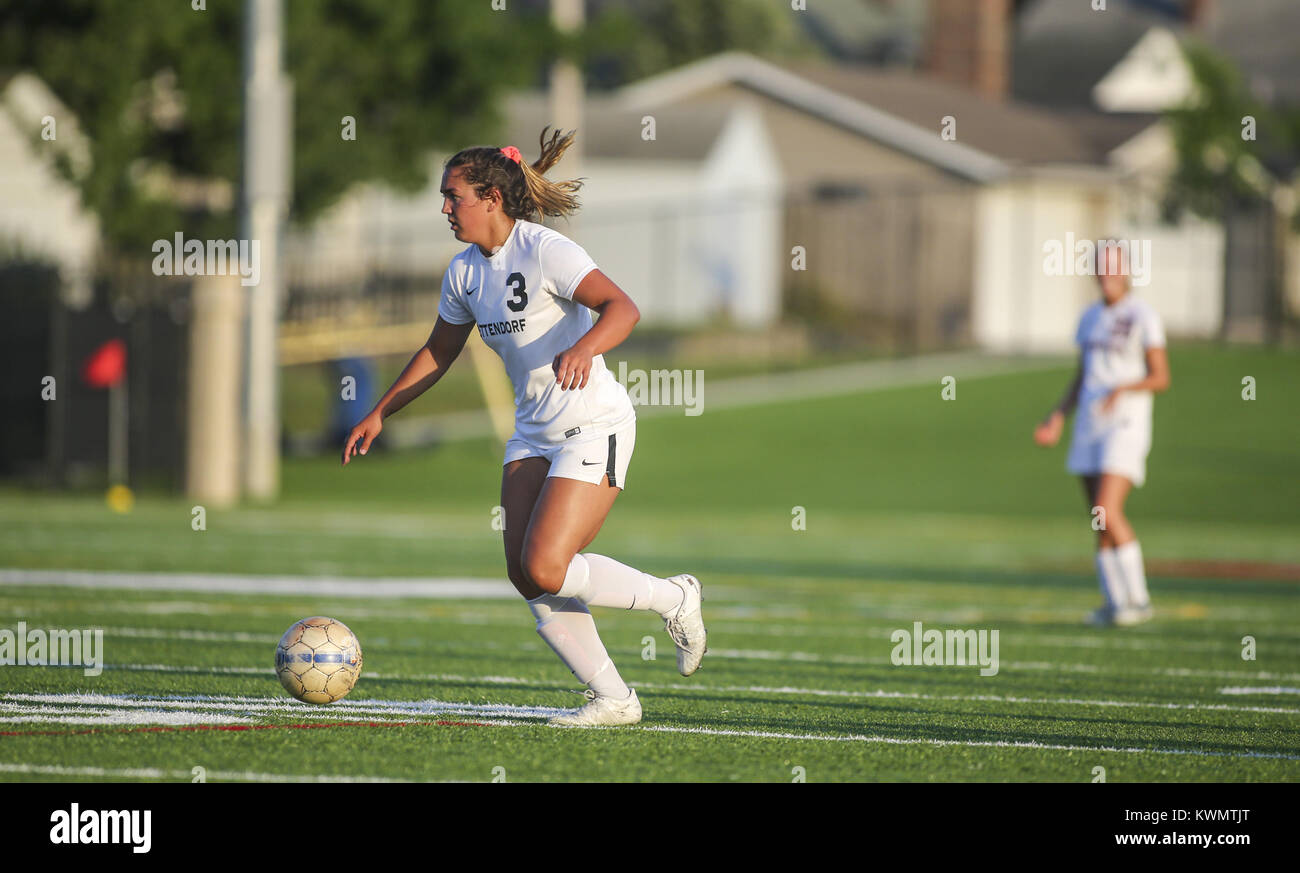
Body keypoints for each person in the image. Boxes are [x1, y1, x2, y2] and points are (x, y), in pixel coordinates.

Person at [342, 128, 706, 725]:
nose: (443, 208)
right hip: (533, 432)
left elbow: (624, 308)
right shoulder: (463, 272)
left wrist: (587, 348)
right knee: (527, 576)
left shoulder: (545, 250)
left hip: (594, 425)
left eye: (452, 196)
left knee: (546, 565)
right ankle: (614, 699)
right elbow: (438, 352)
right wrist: (381, 411)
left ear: (490, 197)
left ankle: (676, 597)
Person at [1033, 240, 1171, 627]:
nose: (1107, 274)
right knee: (1097, 517)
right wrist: (1057, 416)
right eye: (1101, 267)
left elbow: (1161, 376)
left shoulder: (1143, 315)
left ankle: (1139, 600)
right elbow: (1082, 375)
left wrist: (1123, 388)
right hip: (1089, 424)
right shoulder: (1089, 318)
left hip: (1125, 423)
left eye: (1113, 266)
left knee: (1108, 510)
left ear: (1126, 270)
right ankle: (1114, 603)